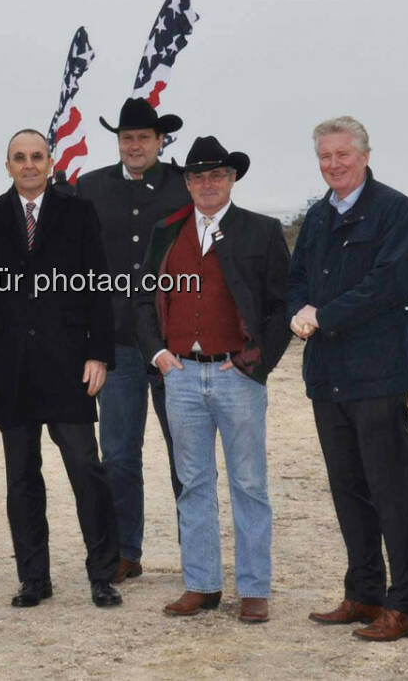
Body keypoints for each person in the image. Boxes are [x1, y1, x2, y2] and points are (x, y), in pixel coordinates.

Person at [134, 136, 291, 622]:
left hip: (236, 375)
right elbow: (141, 300)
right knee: (193, 483)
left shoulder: (261, 231)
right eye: (199, 176)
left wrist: (254, 362)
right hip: (180, 377)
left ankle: (254, 588)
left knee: (248, 483)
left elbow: (280, 305)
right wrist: (158, 355)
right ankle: (201, 584)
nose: (208, 183)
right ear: (187, 183)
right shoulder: (165, 231)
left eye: (217, 175)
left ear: (232, 179)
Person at [0, 129, 121, 609]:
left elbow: (98, 286)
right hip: (9, 371)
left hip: (68, 366)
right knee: (21, 478)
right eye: (19, 158)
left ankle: (102, 574)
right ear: (6, 165)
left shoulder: (78, 213)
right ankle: (34, 578)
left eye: (36, 156)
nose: (29, 165)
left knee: (85, 470)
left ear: (50, 162)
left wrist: (99, 354)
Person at [287, 116, 408, 642]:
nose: (333, 164)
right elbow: (297, 278)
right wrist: (297, 310)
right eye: (324, 156)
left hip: (376, 375)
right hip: (328, 377)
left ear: (365, 156)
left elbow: (387, 286)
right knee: (348, 490)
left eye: (343, 154)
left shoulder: (394, 210)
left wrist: (322, 316)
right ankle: (364, 594)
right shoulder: (318, 216)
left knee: (392, 491)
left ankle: (403, 606)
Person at [76, 97, 190, 583]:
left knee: (186, 454)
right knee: (119, 454)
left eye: (144, 137)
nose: (135, 145)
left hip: (178, 343)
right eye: (127, 137)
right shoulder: (89, 188)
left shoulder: (186, 185)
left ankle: (198, 556)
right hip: (117, 341)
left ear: (160, 141)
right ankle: (125, 551)